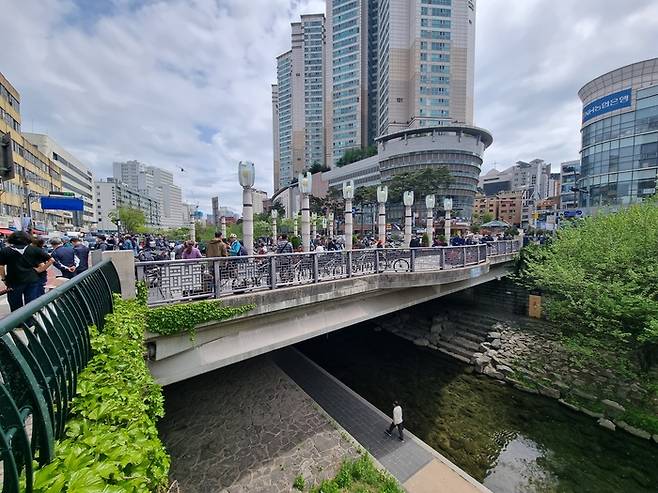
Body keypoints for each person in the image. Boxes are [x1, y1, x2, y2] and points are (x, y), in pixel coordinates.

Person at [0, 231, 54, 311]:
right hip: (32, 279)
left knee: (15, 305)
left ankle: (18, 322)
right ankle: (30, 322)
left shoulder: (5, 251)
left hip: (14, 281)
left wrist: (4, 278)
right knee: (31, 305)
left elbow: (1, 266)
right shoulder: (34, 249)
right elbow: (51, 260)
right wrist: (40, 270)